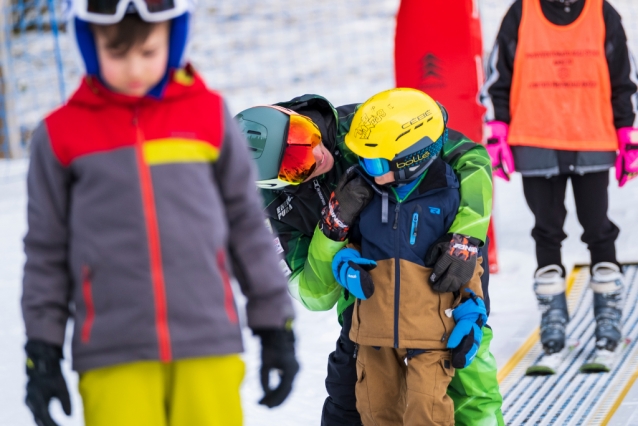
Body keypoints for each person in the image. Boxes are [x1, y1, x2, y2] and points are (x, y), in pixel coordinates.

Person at [21, 1, 298, 425]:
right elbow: (47, 252)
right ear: (89, 45)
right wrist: (42, 347)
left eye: (149, 52)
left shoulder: (208, 117)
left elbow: (246, 229)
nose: (134, 69)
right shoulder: (60, 136)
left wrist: (274, 324)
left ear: (173, 40)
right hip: (113, 353)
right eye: (117, 54)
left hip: (208, 345)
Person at [236, 91, 503, 425]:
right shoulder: (272, 209)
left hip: (446, 266)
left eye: (303, 138)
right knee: (355, 392)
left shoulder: (366, 127)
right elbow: (314, 293)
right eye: (294, 166)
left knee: (466, 366)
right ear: (275, 184)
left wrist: (467, 234)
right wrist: (332, 227)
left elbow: (470, 157)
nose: (315, 154)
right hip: (368, 289)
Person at [481, 0, 638, 357]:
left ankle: (607, 311)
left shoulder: (602, 12)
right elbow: (498, 77)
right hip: (535, 137)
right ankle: (552, 313)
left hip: (592, 137)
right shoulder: (523, 12)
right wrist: (497, 128)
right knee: (547, 229)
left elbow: (623, 78)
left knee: (598, 228)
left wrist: (628, 131)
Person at [331, 88, 487, 425]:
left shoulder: (447, 195)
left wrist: (472, 309)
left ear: (409, 160)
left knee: (427, 413)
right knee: (375, 412)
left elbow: (465, 260)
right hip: (374, 331)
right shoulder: (362, 193)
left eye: (373, 162)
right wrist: (343, 263)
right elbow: (352, 245)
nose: (366, 170)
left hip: (433, 331)